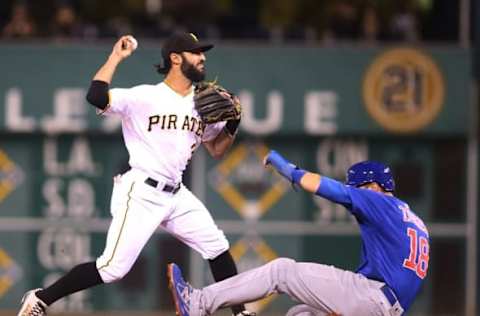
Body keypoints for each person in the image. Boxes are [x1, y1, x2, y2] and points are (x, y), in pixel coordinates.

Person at [17, 32, 252, 316]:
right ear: (175, 59)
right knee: (112, 268)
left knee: (216, 247)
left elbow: (216, 149)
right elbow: (95, 96)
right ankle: (41, 298)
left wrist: (233, 123)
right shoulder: (145, 96)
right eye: (195, 52)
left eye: (203, 52)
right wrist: (116, 56)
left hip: (176, 194)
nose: (202, 57)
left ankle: (240, 313)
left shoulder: (201, 104)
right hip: (141, 191)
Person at [167, 150, 430, 316]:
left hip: (372, 297)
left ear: (372, 186)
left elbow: (333, 190)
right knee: (301, 313)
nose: (356, 192)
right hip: (387, 308)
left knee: (281, 271)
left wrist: (292, 173)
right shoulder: (416, 224)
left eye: (358, 187)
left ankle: (198, 303)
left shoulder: (381, 202)